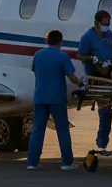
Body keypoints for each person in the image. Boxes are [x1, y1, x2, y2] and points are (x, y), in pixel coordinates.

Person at [27, 29, 83, 170]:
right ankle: (66, 163)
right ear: (60, 42)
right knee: (62, 129)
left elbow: (36, 75)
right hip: (57, 98)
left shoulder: (38, 55)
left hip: (40, 96)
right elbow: (71, 76)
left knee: (37, 129)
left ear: (47, 41)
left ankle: (32, 162)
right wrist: (81, 84)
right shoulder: (62, 57)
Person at [78, 9, 112, 150]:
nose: (107, 26)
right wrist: (91, 58)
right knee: (105, 111)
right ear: (97, 23)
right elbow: (81, 55)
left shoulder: (109, 34)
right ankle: (102, 144)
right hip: (97, 75)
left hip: (110, 72)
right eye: (105, 23)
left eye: (109, 23)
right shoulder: (87, 37)